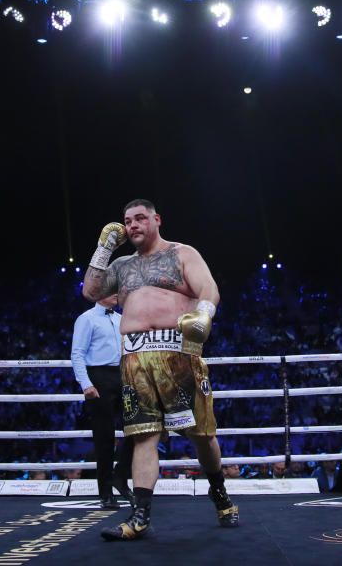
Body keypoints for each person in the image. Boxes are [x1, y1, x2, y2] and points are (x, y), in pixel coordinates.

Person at [82, 199, 239, 541]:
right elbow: (90, 291)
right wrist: (104, 248)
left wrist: (204, 314)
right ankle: (140, 516)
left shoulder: (182, 253)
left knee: (202, 436)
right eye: (127, 221)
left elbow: (208, 289)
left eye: (140, 218)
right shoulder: (122, 265)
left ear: (156, 220)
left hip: (177, 354)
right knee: (143, 436)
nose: (133, 225)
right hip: (135, 359)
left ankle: (220, 493)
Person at [71, 292, 135, 508]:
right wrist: (86, 384)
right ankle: (105, 492)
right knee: (104, 436)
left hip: (124, 376)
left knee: (138, 429)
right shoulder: (86, 319)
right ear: (100, 295)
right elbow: (77, 353)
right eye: (112, 291)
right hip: (98, 377)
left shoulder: (120, 319)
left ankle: (121, 475)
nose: (117, 294)